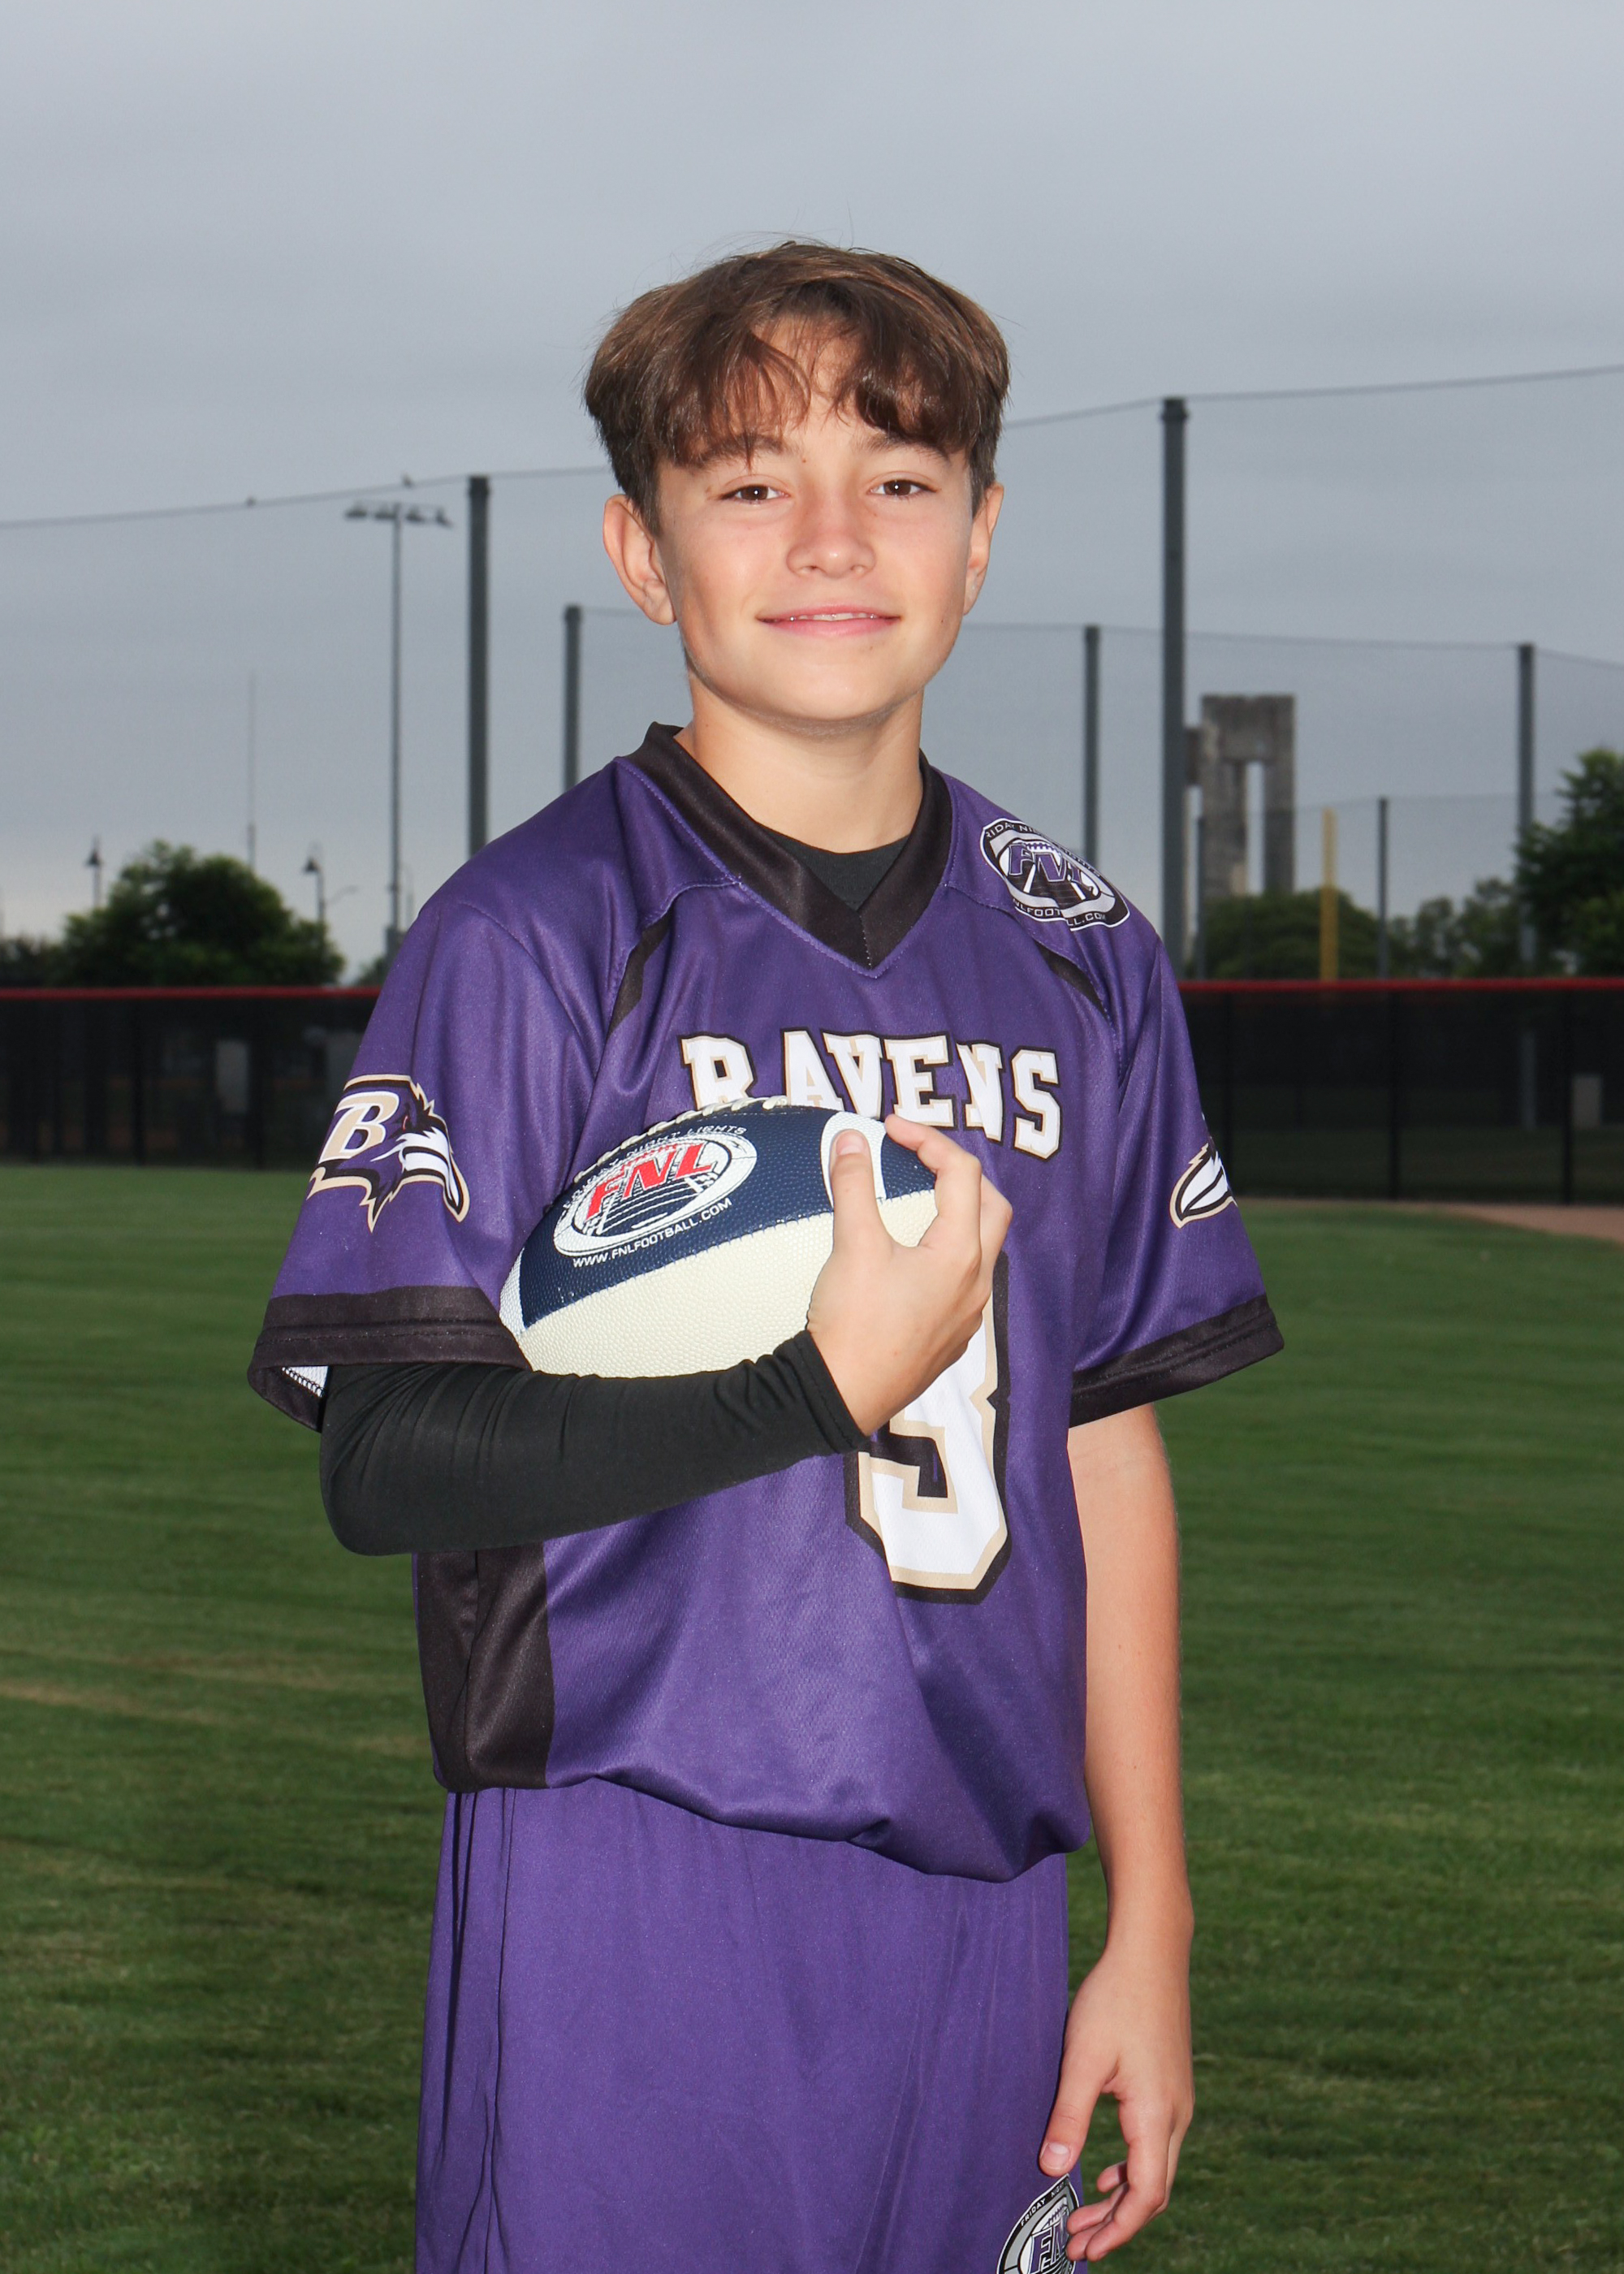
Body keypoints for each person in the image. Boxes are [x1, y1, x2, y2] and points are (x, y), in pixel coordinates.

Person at [249, 241, 1281, 2272]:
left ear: (980, 534)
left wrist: (1149, 1918)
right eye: (748, 483)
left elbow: (1101, 1444)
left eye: (897, 479)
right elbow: (388, 1456)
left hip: (981, 1887)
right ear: (644, 554)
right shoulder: (536, 932)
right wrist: (810, 1387)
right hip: (631, 1855)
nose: (830, 537)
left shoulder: (1082, 952)